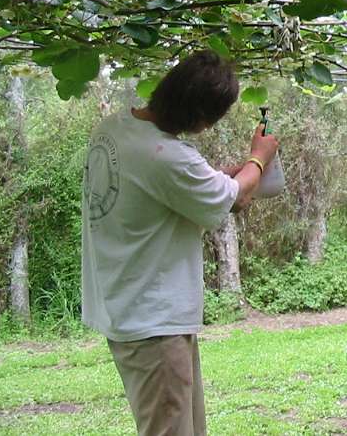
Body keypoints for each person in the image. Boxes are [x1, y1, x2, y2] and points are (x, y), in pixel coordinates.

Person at [81, 50, 279, 436]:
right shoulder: (168, 156)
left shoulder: (112, 128)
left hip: (131, 310)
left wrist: (217, 178)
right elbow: (236, 198)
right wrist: (258, 159)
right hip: (154, 324)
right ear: (200, 119)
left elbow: (165, 187)